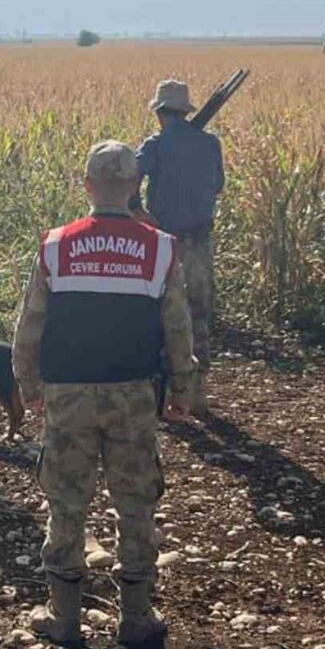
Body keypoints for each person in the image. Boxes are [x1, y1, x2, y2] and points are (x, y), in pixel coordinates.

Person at [13, 140, 196, 649]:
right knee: (135, 503)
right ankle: (136, 619)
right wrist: (183, 386)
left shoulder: (55, 245)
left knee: (66, 500)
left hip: (67, 393)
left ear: (88, 184)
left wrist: (28, 383)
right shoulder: (161, 247)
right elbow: (177, 328)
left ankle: (64, 619)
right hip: (134, 395)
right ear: (135, 185)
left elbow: (30, 324)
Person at [133, 79, 224, 416]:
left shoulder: (155, 144)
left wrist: (139, 212)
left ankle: (164, 394)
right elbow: (217, 186)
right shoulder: (210, 143)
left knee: (163, 315)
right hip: (200, 240)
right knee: (198, 313)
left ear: (159, 112)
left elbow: (129, 179)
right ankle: (197, 394)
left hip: (165, 243)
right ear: (184, 111)